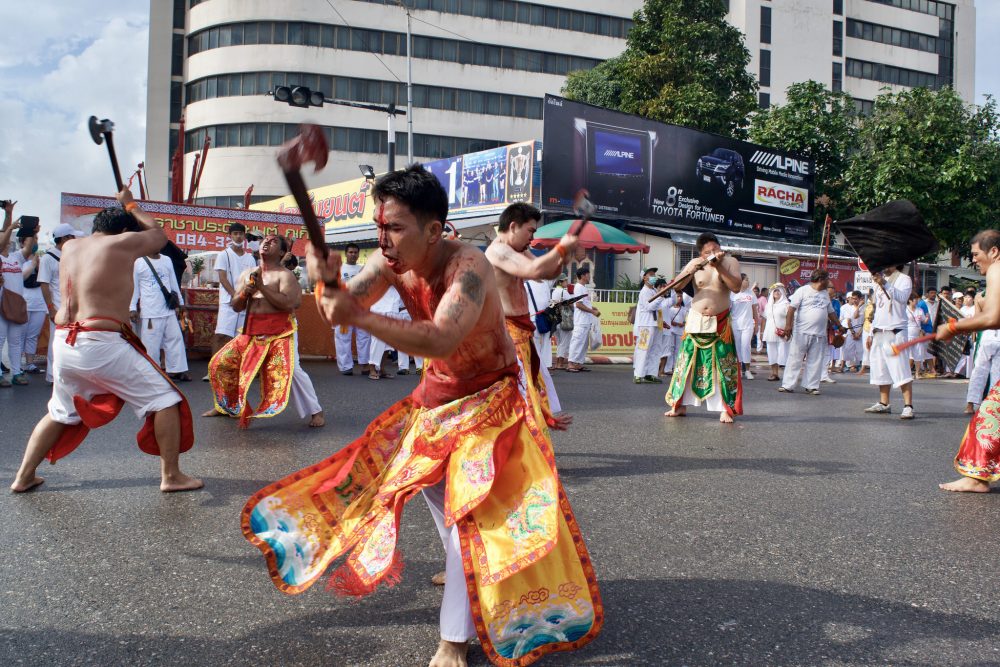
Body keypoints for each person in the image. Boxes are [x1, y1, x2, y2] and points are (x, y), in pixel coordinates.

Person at [242, 165, 601, 667]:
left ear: (434, 230)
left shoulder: (469, 265)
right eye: (378, 226)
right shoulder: (389, 261)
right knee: (435, 495)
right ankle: (466, 569)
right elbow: (339, 306)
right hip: (437, 400)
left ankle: (453, 639)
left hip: (490, 401)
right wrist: (326, 283)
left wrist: (356, 315)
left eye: (394, 228)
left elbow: (440, 338)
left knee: (468, 513)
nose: (382, 238)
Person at [10, 188, 202, 493]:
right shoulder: (122, 242)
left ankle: (23, 476)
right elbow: (158, 236)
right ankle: (171, 476)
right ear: (124, 230)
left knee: (59, 412)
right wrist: (131, 204)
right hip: (99, 341)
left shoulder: (70, 247)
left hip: (66, 342)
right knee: (166, 399)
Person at [204, 234, 324, 428]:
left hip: (281, 331)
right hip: (252, 331)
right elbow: (236, 306)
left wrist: (261, 287)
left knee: (293, 371)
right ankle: (227, 406)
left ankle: (316, 411)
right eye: (265, 240)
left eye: (273, 241)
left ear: (283, 253)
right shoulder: (247, 274)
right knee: (221, 363)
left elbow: (291, 303)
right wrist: (245, 292)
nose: (267, 242)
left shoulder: (285, 275)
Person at [485, 202, 574, 424]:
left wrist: (563, 259)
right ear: (513, 226)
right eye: (530, 231)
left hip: (520, 330)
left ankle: (526, 439)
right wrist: (560, 249)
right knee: (520, 391)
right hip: (506, 332)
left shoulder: (519, 250)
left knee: (532, 385)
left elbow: (543, 274)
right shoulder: (497, 250)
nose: (532, 238)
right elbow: (532, 270)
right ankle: (521, 443)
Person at [933, 231, 1000, 492]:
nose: (974, 261)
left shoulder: (997, 268)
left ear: (993, 251)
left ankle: (976, 477)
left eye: (975, 254)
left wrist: (953, 327)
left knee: (989, 416)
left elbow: (993, 317)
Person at [664, 232, 743, 422]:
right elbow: (678, 286)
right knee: (686, 364)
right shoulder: (694, 263)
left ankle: (727, 408)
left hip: (720, 321)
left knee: (724, 365)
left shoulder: (730, 262)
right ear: (701, 253)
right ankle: (679, 405)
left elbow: (736, 287)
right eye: (708, 251)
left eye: (715, 249)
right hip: (696, 319)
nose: (713, 253)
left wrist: (718, 267)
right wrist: (692, 269)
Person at [778, 271, 843, 396]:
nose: (829, 282)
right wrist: (788, 326)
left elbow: (831, 312)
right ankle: (788, 385)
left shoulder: (824, 294)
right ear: (820, 279)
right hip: (801, 332)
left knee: (815, 361)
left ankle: (811, 386)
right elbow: (791, 309)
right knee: (795, 359)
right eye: (827, 279)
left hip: (819, 334)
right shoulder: (802, 291)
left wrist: (839, 325)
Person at [130, 249, 191, 382]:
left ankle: (177, 371)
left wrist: (180, 303)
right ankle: (153, 373)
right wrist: (132, 307)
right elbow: (135, 287)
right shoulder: (139, 262)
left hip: (168, 309)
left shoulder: (167, 260)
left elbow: (174, 283)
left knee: (175, 340)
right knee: (151, 344)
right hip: (150, 312)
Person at [208, 223, 258, 380]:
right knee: (221, 335)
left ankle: (237, 370)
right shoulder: (224, 254)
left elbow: (253, 278)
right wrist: (235, 296)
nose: (238, 236)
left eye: (240, 234)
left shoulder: (250, 258)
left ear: (244, 236)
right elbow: (222, 278)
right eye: (235, 233)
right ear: (229, 236)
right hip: (228, 302)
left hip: (245, 303)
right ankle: (214, 369)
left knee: (241, 337)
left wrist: (246, 297)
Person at [864, 265, 915, 419]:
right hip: (880, 330)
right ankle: (884, 403)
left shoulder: (904, 279)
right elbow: (877, 308)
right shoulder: (879, 280)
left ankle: (908, 406)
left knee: (900, 369)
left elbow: (901, 298)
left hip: (895, 331)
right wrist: (871, 331)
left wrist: (884, 284)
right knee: (880, 369)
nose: (884, 266)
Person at [37, 224, 80, 384]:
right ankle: (52, 376)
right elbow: (44, 284)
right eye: (72, 237)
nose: (75, 240)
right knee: (56, 343)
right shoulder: (48, 258)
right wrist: (51, 308)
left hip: (73, 309)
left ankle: (66, 375)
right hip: (57, 309)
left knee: (71, 342)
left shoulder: (72, 256)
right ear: (65, 238)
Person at [0, 202, 36, 387]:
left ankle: (16, 372)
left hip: (16, 305)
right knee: (0, 340)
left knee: (15, 341)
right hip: (1, 306)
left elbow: (28, 249)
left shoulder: (15, 258)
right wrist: (8, 219)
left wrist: (32, 232)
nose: (7, 241)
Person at [332, 242, 372, 376]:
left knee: (364, 336)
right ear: (346, 254)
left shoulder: (363, 269)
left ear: (358, 254)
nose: (353, 254)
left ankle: (365, 365)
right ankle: (345, 366)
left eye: (355, 252)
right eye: (351, 252)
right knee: (343, 336)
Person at [17, 231, 47, 375]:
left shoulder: (40, 258)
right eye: (32, 239)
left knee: (32, 335)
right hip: (23, 303)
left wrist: (39, 264)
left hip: (39, 303)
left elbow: (45, 280)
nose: (35, 242)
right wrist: (33, 264)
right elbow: (21, 277)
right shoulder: (17, 258)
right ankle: (18, 365)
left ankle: (29, 364)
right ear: (23, 243)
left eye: (36, 239)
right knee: (19, 335)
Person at [631, 266, 665, 384]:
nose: (653, 277)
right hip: (646, 324)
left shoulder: (654, 291)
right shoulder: (644, 292)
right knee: (643, 349)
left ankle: (651, 373)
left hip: (656, 324)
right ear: (644, 277)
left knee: (655, 350)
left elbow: (659, 309)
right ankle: (639, 374)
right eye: (650, 274)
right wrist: (660, 297)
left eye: (654, 274)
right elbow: (650, 307)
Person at [567, 266, 600, 372]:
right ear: (582, 276)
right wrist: (592, 311)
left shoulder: (584, 288)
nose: (590, 276)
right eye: (588, 274)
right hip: (580, 321)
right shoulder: (578, 287)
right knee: (577, 341)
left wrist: (592, 308)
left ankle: (579, 363)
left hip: (586, 321)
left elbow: (584, 303)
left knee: (584, 343)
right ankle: (571, 363)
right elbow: (578, 305)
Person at [730, 274, 758, 381]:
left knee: (746, 346)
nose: (748, 281)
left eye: (748, 279)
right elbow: (729, 310)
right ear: (740, 281)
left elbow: (755, 310)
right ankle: (739, 371)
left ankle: (747, 370)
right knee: (737, 347)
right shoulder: (732, 294)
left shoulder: (751, 294)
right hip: (735, 324)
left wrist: (756, 325)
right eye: (746, 280)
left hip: (748, 324)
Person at [761, 283, 790, 381]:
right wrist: (761, 332)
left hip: (782, 333)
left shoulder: (786, 304)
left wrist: (788, 331)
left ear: (782, 292)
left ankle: (787, 375)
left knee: (783, 354)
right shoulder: (768, 305)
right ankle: (774, 373)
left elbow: (790, 319)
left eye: (778, 290)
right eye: (775, 291)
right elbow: (764, 319)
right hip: (770, 332)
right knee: (772, 353)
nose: (777, 292)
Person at [660, 286, 691, 376]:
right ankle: (668, 368)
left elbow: (687, 319)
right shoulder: (669, 308)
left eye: (681, 296)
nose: (679, 298)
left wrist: (683, 323)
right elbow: (667, 319)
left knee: (678, 349)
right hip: (671, 330)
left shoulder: (684, 309)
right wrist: (675, 323)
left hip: (680, 331)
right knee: (670, 349)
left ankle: (676, 368)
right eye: (678, 296)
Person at [549, 275, 573, 370]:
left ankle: (558, 363)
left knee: (560, 342)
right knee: (564, 342)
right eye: (565, 281)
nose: (566, 283)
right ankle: (560, 363)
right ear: (560, 282)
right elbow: (571, 304)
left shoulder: (554, 291)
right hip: (564, 319)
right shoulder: (564, 292)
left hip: (556, 319)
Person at [905, 294, 929, 379]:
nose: (917, 302)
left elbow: (923, 321)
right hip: (907, 335)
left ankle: (917, 373)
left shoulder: (919, 310)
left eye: (917, 300)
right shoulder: (905, 309)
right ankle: (906, 374)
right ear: (910, 300)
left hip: (918, 335)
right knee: (907, 355)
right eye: (915, 300)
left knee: (918, 354)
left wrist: (927, 318)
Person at [838, 291, 863, 372]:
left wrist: (859, 333)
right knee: (847, 349)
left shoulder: (865, 307)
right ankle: (842, 366)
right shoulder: (850, 308)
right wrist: (853, 333)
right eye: (853, 298)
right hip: (851, 331)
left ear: (860, 299)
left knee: (861, 351)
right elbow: (849, 321)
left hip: (861, 332)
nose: (854, 300)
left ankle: (860, 367)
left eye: (856, 299)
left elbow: (865, 322)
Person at [918, 288, 940, 376]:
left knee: (929, 350)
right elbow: (920, 318)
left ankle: (931, 369)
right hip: (924, 330)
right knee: (919, 351)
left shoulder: (938, 303)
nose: (933, 294)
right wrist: (921, 329)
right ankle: (921, 370)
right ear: (927, 294)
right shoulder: (922, 304)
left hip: (934, 329)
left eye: (935, 293)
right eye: (931, 293)